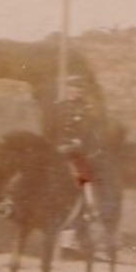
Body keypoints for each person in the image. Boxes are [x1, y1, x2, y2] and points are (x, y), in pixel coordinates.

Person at [50, 74, 105, 212]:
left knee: (82, 174)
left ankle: (90, 206)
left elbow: (87, 129)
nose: (74, 91)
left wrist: (77, 142)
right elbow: (52, 128)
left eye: (77, 89)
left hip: (77, 150)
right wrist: (55, 144)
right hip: (57, 148)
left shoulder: (86, 109)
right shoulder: (59, 107)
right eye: (71, 88)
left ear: (82, 92)